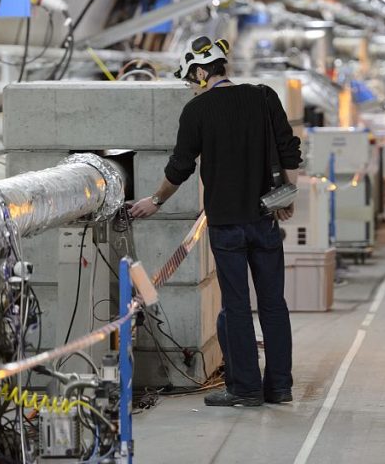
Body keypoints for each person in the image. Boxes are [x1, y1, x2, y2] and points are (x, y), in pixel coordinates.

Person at [129, 36, 302, 407]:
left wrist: (155, 200)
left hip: (226, 226)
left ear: (204, 70)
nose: (193, 85)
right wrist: (287, 196)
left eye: (193, 77)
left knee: (236, 308)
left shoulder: (197, 111)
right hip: (265, 219)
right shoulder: (264, 97)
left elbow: (180, 167)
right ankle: (279, 387)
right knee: (273, 305)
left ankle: (246, 389)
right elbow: (289, 148)